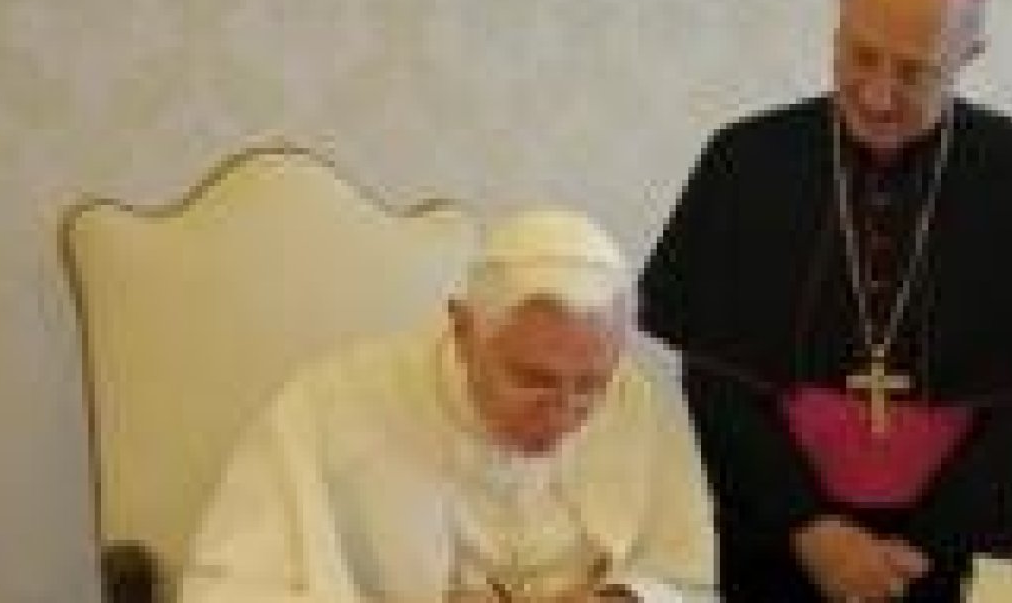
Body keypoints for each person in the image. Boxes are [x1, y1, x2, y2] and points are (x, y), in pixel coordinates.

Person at [639, 0, 1012, 602]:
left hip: (955, 550)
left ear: (969, 56)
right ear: (838, 23)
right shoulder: (747, 162)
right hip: (779, 538)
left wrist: (932, 551)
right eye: (860, 55)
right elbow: (718, 375)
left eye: (914, 71)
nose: (878, 94)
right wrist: (810, 528)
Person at [181, 208, 717, 603]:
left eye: (591, 385)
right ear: (463, 330)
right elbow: (229, 589)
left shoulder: (635, 402)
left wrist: (620, 599)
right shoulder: (330, 403)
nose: (563, 412)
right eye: (533, 380)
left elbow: (687, 580)